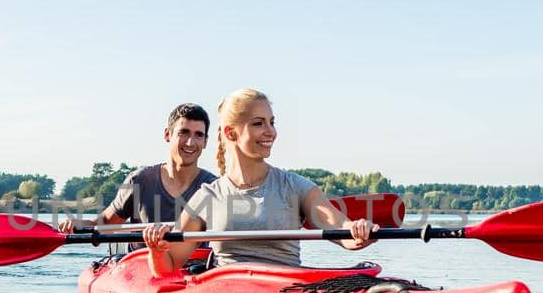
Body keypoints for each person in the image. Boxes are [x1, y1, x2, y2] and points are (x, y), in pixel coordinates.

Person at [142, 89, 375, 276]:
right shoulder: (208, 197)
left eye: (271, 122)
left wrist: (358, 232)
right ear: (231, 133)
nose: (270, 132)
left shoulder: (295, 187)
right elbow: (168, 267)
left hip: (286, 292)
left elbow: (341, 231)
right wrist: (156, 249)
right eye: (258, 123)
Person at [58, 103, 217, 234]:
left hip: (196, 269)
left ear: (205, 141)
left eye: (198, 135)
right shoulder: (140, 180)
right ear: (168, 135)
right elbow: (105, 223)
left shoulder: (214, 188)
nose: (190, 142)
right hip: (142, 268)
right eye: (184, 133)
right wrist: (77, 223)